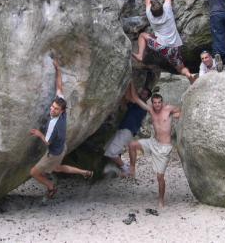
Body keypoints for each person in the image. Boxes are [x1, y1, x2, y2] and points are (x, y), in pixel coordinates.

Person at [29, 58, 93, 199]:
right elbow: (59, 87)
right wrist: (58, 70)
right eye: (52, 107)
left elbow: (47, 142)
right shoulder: (62, 108)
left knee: (33, 172)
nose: (52, 110)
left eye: (55, 109)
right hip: (62, 147)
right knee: (58, 168)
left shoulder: (54, 124)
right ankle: (83, 172)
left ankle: (51, 187)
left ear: (61, 111)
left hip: (54, 153)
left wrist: (39, 133)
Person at [132, 0, 196, 84]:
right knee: (180, 67)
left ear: (152, 11)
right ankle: (189, 74)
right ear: (162, 8)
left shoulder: (150, 16)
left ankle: (141, 55)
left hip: (161, 46)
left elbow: (147, 2)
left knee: (142, 35)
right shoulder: (167, 10)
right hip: (174, 47)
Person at [127, 89, 180, 208]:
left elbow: (180, 111)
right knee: (132, 145)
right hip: (153, 142)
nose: (157, 105)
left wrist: (177, 115)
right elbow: (135, 98)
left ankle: (161, 200)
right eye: (155, 102)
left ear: (162, 102)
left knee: (160, 177)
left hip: (164, 148)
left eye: (159, 102)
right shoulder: (150, 109)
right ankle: (132, 168)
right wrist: (130, 81)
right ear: (152, 103)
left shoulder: (168, 109)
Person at [104, 81, 152, 176]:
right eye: (141, 92)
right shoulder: (135, 104)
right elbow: (128, 97)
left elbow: (133, 97)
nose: (141, 94)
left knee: (111, 152)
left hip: (127, 130)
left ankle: (126, 169)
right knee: (106, 149)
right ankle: (122, 168)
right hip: (123, 129)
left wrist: (131, 81)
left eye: (144, 93)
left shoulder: (143, 105)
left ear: (147, 97)